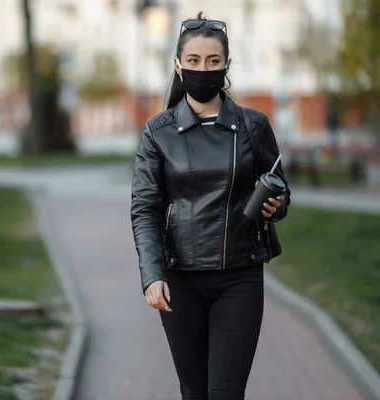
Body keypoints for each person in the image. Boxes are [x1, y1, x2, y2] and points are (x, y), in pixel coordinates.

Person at [130, 12, 291, 400]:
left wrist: (276, 204)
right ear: (179, 65)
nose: (204, 70)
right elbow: (145, 208)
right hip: (180, 278)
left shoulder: (254, 126)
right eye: (195, 61)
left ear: (227, 66)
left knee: (225, 392)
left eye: (214, 62)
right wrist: (152, 274)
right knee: (194, 392)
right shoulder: (158, 131)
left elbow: (281, 190)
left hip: (240, 275)